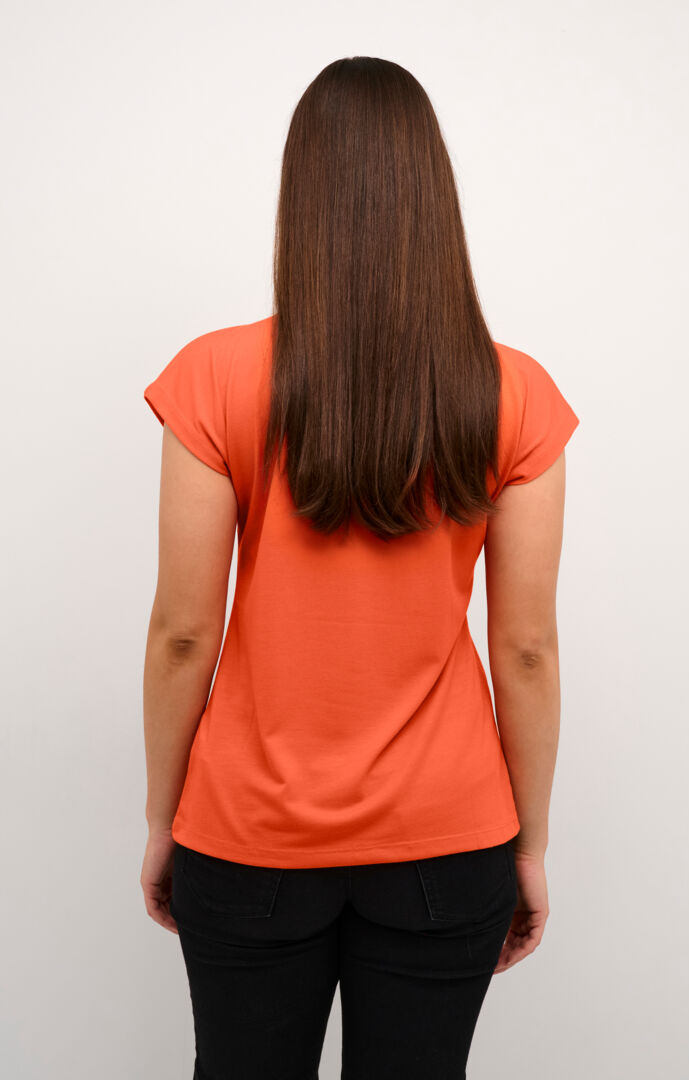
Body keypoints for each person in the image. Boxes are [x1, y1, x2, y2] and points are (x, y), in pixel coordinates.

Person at [140, 56, 580, 1080]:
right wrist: (528, 845)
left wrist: (164, 821)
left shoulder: (214, 375)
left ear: (302, 197)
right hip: (448, 841)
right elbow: (525, 649)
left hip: (246, 839)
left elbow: (183, 635)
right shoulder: (513, 393)